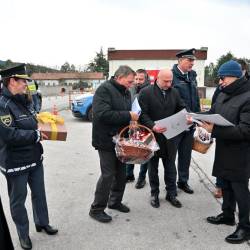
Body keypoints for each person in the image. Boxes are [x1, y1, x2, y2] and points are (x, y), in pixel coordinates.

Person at [0, 64, 58, 250]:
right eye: (23, 80)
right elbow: (9, 135)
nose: (27, 84)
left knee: (39, 193)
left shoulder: (24, 100)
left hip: (34, 157)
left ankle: (42, 222)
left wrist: (47, 122)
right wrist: (36, 135)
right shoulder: (2, 104)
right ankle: (23, 234)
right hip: (15, 161)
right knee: (18, 200)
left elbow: (33, 119)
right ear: (11, 81)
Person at [201, 60, 250, 244]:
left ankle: (245, 227)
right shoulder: (223, 94)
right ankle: (227, 214)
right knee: (226, 185)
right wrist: (194, 116)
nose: (220, 82)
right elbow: (213, 113)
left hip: (240, 153)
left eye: (223, 78)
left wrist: (214, 130)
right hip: (224, 149)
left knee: (240, 190)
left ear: (236, 76)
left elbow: (245, 131)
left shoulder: (247, 97)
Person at [89, 65, 138, 223]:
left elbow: (125, 113)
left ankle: (115, 202)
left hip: (121, 139)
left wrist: (131, 121)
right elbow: (102, 114)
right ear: (119, 77)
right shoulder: (104, 90)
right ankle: (96, 209)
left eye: (132, 83)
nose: (131, 85)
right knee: (108, 175)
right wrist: (128, 115)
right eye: (129, 82)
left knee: (121, 174)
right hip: (105, 140)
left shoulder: (125, 91)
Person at [139, 69, 187, 208]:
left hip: (170, 137)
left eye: (170, 81)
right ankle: (154, 194)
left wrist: (186, 117)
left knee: (171, 167)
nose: (168, 84)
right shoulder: (146, 92)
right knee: (152, 167)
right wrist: (152, 126)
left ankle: (171, 193)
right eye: (165, 81)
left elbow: (181, 107)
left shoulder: (175, 92)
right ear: (157, 79)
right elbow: (142, 114)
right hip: (152, 136)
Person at [172, 48, 201, 194]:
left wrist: (198, 117)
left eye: (193, 60)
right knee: (170, 156)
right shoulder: (172, 76)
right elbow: (170, 101)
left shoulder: (192, 76)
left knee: (185, 155)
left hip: (191, 122)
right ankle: (170, 185)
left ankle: (183, 181)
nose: (192, 63)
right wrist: (183, 115)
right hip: (177, 122)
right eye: (189, 60)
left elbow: (195, 98)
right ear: (180, 60)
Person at [126, 69, 150, 189]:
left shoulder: (149, 91)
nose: (138, 81)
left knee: (143, 153)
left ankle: (142, 178)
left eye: (141, 79)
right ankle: (129, 174)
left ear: (146, 79)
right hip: (130, 125)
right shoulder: (129, 88)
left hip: (144, 126)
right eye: (136, 79)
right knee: (130, 150)